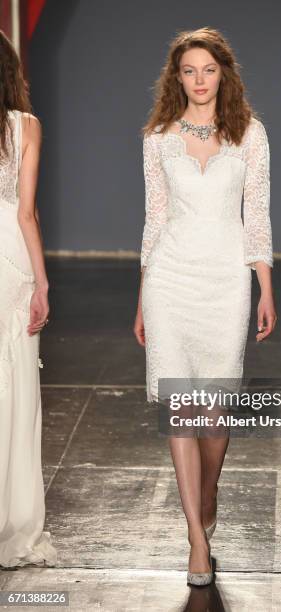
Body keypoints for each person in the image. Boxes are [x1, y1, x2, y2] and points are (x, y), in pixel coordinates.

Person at [134, 27, 277, 586]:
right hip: (169, 279)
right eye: (189, 71)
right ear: (177, 77)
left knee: (214, 415)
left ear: (224, 74)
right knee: (181, 409)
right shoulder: (157, 138)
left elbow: (257, 213)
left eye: (208, 70)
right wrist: (141, 296)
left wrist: (265, 284)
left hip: (223, 279)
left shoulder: (250, 134)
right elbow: (154, 218)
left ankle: (207, 491)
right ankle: (197, 536)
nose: (198, 80)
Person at [0, 30, 57, 569]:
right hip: (10, 258)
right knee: (16, 386)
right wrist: (42, 282)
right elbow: (24, 211)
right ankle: (13, 520)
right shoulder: (26, 126)